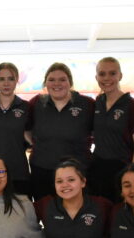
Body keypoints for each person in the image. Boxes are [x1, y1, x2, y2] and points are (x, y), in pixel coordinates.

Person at [27, 63, 95, 201]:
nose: (56, 83)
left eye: (62, 79)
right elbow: (26, 129)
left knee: (77, 214)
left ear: (70, 82)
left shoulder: (87, 104)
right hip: (42, 170)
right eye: (51, 79)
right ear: (45, 83)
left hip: (78, 171)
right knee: (45, 212)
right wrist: (40, 145)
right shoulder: (37, 103)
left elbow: (99, 130)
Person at [88, 57, 134, 202]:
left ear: (120, 75)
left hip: (122, 169)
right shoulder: (98, 102)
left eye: (112, 73)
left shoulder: (132, 105)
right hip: (97, 167)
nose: (107, 78)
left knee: (118, 216)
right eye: (102, 74)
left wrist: (132, 175)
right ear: (96, 77)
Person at [0, 62, 31, 196]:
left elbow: (31, 136)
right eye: (1, 79)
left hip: (18, 170)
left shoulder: (25, 107)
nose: (6, 83)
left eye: (10, 78)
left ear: (17, 80)